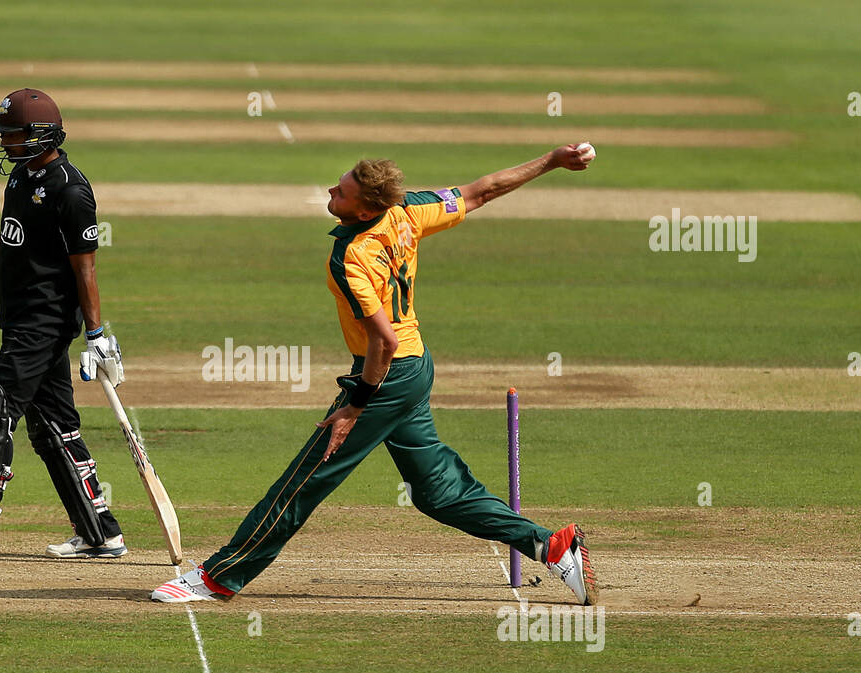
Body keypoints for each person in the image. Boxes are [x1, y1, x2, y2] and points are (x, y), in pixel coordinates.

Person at [150, 145, 599, 603]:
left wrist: (353, 406)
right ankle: (553, 547)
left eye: (341, 192)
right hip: (415, 365)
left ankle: (217, 576)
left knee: (304, 481)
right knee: (437, 492)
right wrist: (551, 161)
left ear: (365, 208)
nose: (330, 191)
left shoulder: (351, 256)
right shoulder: (408, 211)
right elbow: (482, 192)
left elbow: (381, 342)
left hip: (385, 374)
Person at [0, 89, 129, 563]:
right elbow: (8, 236)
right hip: (17, 317)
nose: (5, 143)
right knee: (53, 425)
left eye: (13, 134)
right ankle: (99, 532)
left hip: (44, 322)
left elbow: (87, 269)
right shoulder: (21, 178)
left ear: (40, 135)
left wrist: (96, 335)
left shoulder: (71, 190)